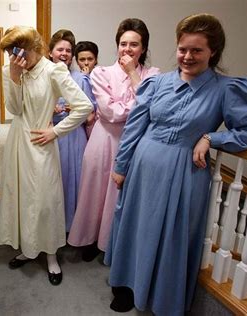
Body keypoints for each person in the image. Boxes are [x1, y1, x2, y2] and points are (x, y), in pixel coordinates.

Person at [105, 14, 247, 314]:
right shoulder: (156, 83)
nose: (187, 56)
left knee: (172, 235)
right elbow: (134, 127)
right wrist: (121, 166)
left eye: (196, 50)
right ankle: (125, 287)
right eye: (183, 49)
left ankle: (160, 295)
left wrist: (212, 138)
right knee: (133, 225)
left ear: (213, 52)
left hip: (185, 173)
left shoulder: (226, 89)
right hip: (143, 165)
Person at [0, 26, 93, 286]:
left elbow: (84, 106)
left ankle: (51, 256)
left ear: (33, 48)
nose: (14, 58)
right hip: (17, 141)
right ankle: (28, 249)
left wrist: (56, 132)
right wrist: (15, 77)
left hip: (41, 142)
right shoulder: (12, 70)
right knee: (22, 198)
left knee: (46, 200)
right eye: (10, 54)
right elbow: (15, 110)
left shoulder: (53, 70)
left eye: (18, 52)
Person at [68, 19, 160, 261]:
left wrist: (132, 74)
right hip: (102, 140)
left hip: (133, 143)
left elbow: (152, 108)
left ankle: (112, 242)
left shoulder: (153, 75)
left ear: (143, 48)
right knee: (93, 192)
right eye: (123, 43)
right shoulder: (101, 72)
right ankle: (88, 239)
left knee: (120, 196)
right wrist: (138, 106)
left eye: (134, 44)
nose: (127, 49)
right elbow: (109, 112)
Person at [49, 29, 97, 232]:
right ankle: (50, 226)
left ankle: (70, 227)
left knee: (72, 180)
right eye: (60, 49)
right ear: (50, 52)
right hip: (50, 136)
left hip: (74, 138)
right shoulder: (43, 76)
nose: (64, 53)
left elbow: (89, 114)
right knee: (51, 181)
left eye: (68, 50)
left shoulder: (81, 80)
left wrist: (74, 108)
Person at [74, 40, 99, 137]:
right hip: (79, 127)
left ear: (96, 60)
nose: (86, 63)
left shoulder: (102, 77)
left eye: (90, 59)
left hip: (98, 124)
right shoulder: (74, 79)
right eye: (82, 59)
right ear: (76, 61)